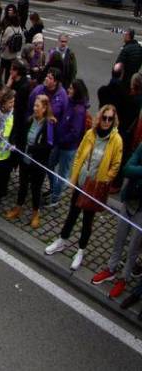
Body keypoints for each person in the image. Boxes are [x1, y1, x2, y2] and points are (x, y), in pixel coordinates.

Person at [45, 105, 123, 270]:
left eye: (110, 119)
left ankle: (81, 250)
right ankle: (62, 240)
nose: (106, 121)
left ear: (113, 120)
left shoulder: (116, 140)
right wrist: (74, 177)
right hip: (82, 183)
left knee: (88, 221)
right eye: (104, 117)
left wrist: (104, 180)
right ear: (99, 117)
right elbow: (79, 155)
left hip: (95, 187)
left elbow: (116, 165)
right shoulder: (90, 134)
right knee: (72, 214)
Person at [91, 135, 142, 303]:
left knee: (134, 246)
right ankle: (111, 268)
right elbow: (127, 168)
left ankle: (124, 278)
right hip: (129, 201)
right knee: (119, 238)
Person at [5, 92, 54, 229]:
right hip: (25, 161)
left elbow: (49, 146)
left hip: (38, 164)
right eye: (34, 105)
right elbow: (22, 137)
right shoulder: (30, 120)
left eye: (37, 106)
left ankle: (35, 214)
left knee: (35, 189)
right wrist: (16, 145)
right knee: (23, 185)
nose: (34, 108)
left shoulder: (48, 125)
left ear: (44, 108)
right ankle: (18, 208)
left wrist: (32, 148)